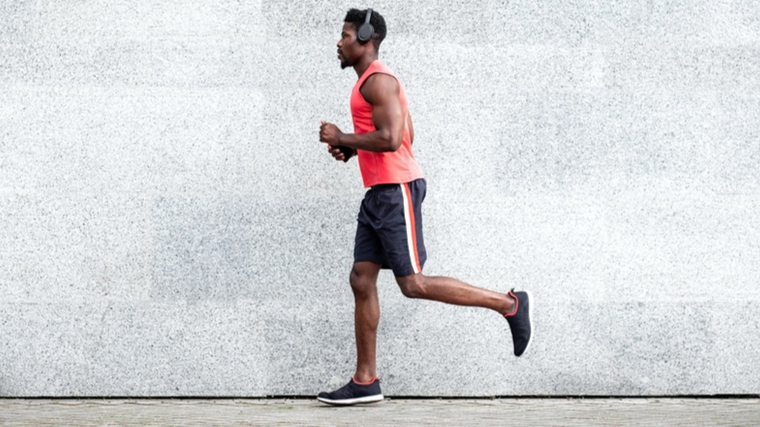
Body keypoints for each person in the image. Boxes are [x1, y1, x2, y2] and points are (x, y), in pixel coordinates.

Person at [317, 8, 533, 406]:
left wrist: (343, 134)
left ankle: (510, 303)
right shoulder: (370, 83)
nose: (339, 42)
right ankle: (366, 381)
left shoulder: (379, 80)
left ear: (365, 36)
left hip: (395, 189)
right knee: (361, 279)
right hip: (379, 192)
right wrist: (351, 149)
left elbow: (395, 137)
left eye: (345, 34)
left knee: (412, 284)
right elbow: (406, 132)